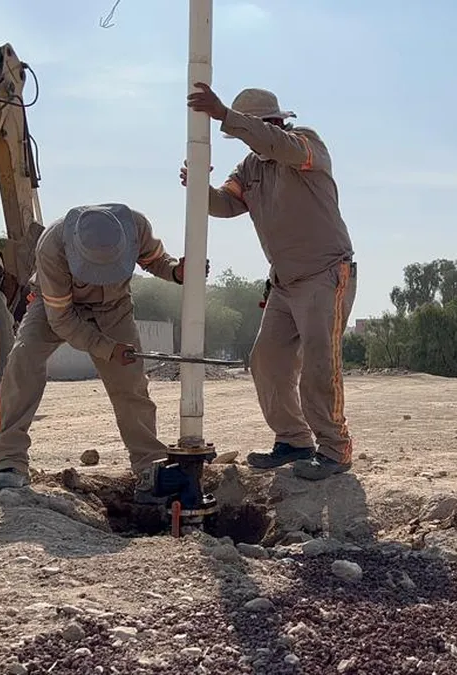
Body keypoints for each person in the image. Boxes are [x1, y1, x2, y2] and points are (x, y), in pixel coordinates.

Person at [183, 83, 357, 481]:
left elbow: (279, 146)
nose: (244, 139)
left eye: (251, 129)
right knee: (267, 361)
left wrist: (227, 115)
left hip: (326, 274)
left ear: (275, 123)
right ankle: (294, 440)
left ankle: (335, 448)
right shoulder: (250, 168)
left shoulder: (306, 145)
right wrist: (198, 188)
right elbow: (226, 204)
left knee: (319, 362)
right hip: (283, 283)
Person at [0, 203, 204, 501]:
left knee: (130, 383)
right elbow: (62, 320)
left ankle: (148, 465)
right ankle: (8, 459)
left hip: (114, 309)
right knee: (23, 361)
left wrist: (177, 271)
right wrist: (108, 349)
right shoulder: (52, 247)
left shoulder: (136, 227)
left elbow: (155, 260)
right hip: (55, 306)